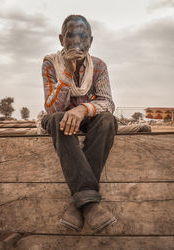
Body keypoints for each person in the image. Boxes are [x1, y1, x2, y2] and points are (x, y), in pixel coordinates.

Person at [41, 15, 118, 233]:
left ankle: (79, 203)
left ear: (90, 41)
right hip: (61, 121)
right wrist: (67, 71)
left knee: (107, 121)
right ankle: (90, 204)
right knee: (57, 119)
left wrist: (82, 108)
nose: (77, 41)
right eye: (70, 35)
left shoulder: (99, 66)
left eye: (83, 36)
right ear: (61, 38)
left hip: (88, 118)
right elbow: (52, 108)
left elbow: (107, 102)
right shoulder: (50, 63)